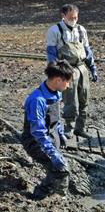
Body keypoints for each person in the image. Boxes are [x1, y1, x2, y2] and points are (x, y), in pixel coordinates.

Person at [22, 60, 74, 200]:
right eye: (67, 82)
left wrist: (60, 132)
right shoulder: (37, 100)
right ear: (58, 80)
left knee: (56, 168)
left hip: (50, 137)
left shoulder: (56, 93)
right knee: (62, 170)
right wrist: (52, 153)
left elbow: (55, 118)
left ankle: (56, 194)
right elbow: (37, 132)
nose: (68, 85)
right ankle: (42, 196)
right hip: (36, 142)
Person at [46, 4, 98, 138]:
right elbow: (51, 55)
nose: (74, 20)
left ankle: (80, 128)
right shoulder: (55, 31)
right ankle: (69, 127)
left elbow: (87, 50)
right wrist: (56, 73)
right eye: (71, 17)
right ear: (63, 16)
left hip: (82, 68)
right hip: (67, 69)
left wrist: (93, 68)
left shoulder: (81, 30)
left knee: (84, 98)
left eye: (76, 17)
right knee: (70, 100)